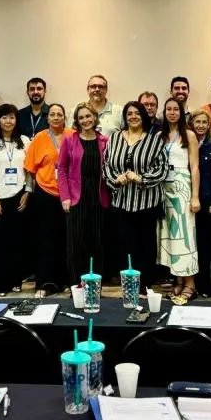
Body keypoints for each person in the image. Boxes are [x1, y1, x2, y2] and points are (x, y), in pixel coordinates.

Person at [104, 102, 167, 284]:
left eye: (137, 113)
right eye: (129, 113)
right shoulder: (115, 138)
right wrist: (116, 178)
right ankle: (128, 283)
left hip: (146, 203)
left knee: (145, 245)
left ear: (143, 116)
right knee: (124, 244)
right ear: (125, 117)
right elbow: (106, 164)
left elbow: (162, 168)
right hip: (121, 202)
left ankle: (145, 284)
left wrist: (142, 178)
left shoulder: (154, 140)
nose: (133, 116)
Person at [0, 104, 33, 296]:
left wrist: (28, 192)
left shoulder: (24, 141)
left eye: (11, 117)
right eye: (4, 118)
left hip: (20, 196)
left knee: (18, 242)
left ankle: (15, 280)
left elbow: (29, 169)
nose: (8, 121)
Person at [24, 103, 72, 297]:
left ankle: (68, 281)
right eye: (52, 114)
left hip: (69, 194)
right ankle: (45, 283)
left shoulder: (73, 135)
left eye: (59, 114)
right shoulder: (40, 138)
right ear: (48, 118)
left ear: (64, 117)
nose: (56, 117)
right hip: (45, 193)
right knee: (46, 240)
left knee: (68, 240)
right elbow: (31, 169)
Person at [60, 103, 110, 281]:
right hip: (75, 198)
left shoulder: (104, 141)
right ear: (77, 121)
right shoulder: (69, 140)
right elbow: (62, 169)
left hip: (98, 197)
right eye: (81, 118)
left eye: (88, 116)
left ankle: (95, 286)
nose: (85, 120)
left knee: (97, 243)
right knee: (76, 244)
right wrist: (65, 196)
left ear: (95, 117)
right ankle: (76, 285)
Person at [157, 98, 200, 302]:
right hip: (164, 188)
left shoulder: (189, 135)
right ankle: (178, 281)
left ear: (181, 113)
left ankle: (190, 284)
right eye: (169, 109)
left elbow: (195, 167)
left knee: (184, 236)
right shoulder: (159, 136)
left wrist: (195, 196)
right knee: (170, 236)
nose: (172, 112)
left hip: (183, 187)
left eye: (176, 109)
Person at [189, 110, 211, 296]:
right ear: (191, 124)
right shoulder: (186, 144)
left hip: (207, 201)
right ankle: (190, 282)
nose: (201, 125)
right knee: (190, 244)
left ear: (209, 124)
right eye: (197, 122)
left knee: (205, 245)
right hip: (188, 200)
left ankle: (205, 284)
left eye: (204, 122)